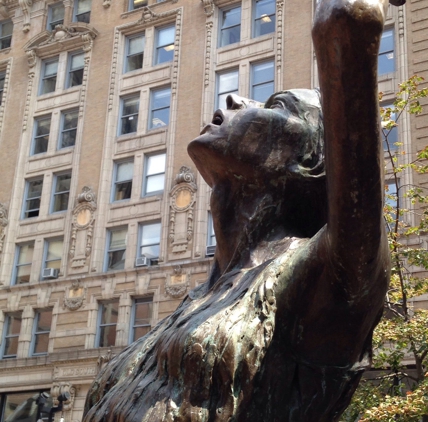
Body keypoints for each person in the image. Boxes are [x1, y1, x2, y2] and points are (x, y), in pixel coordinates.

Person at [83, 0, 403, 420]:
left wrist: (346, 26)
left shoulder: (321, 280)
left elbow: (346, 20)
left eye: (277, 107)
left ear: (311, 161)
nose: (234, 99)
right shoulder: (201, 298)